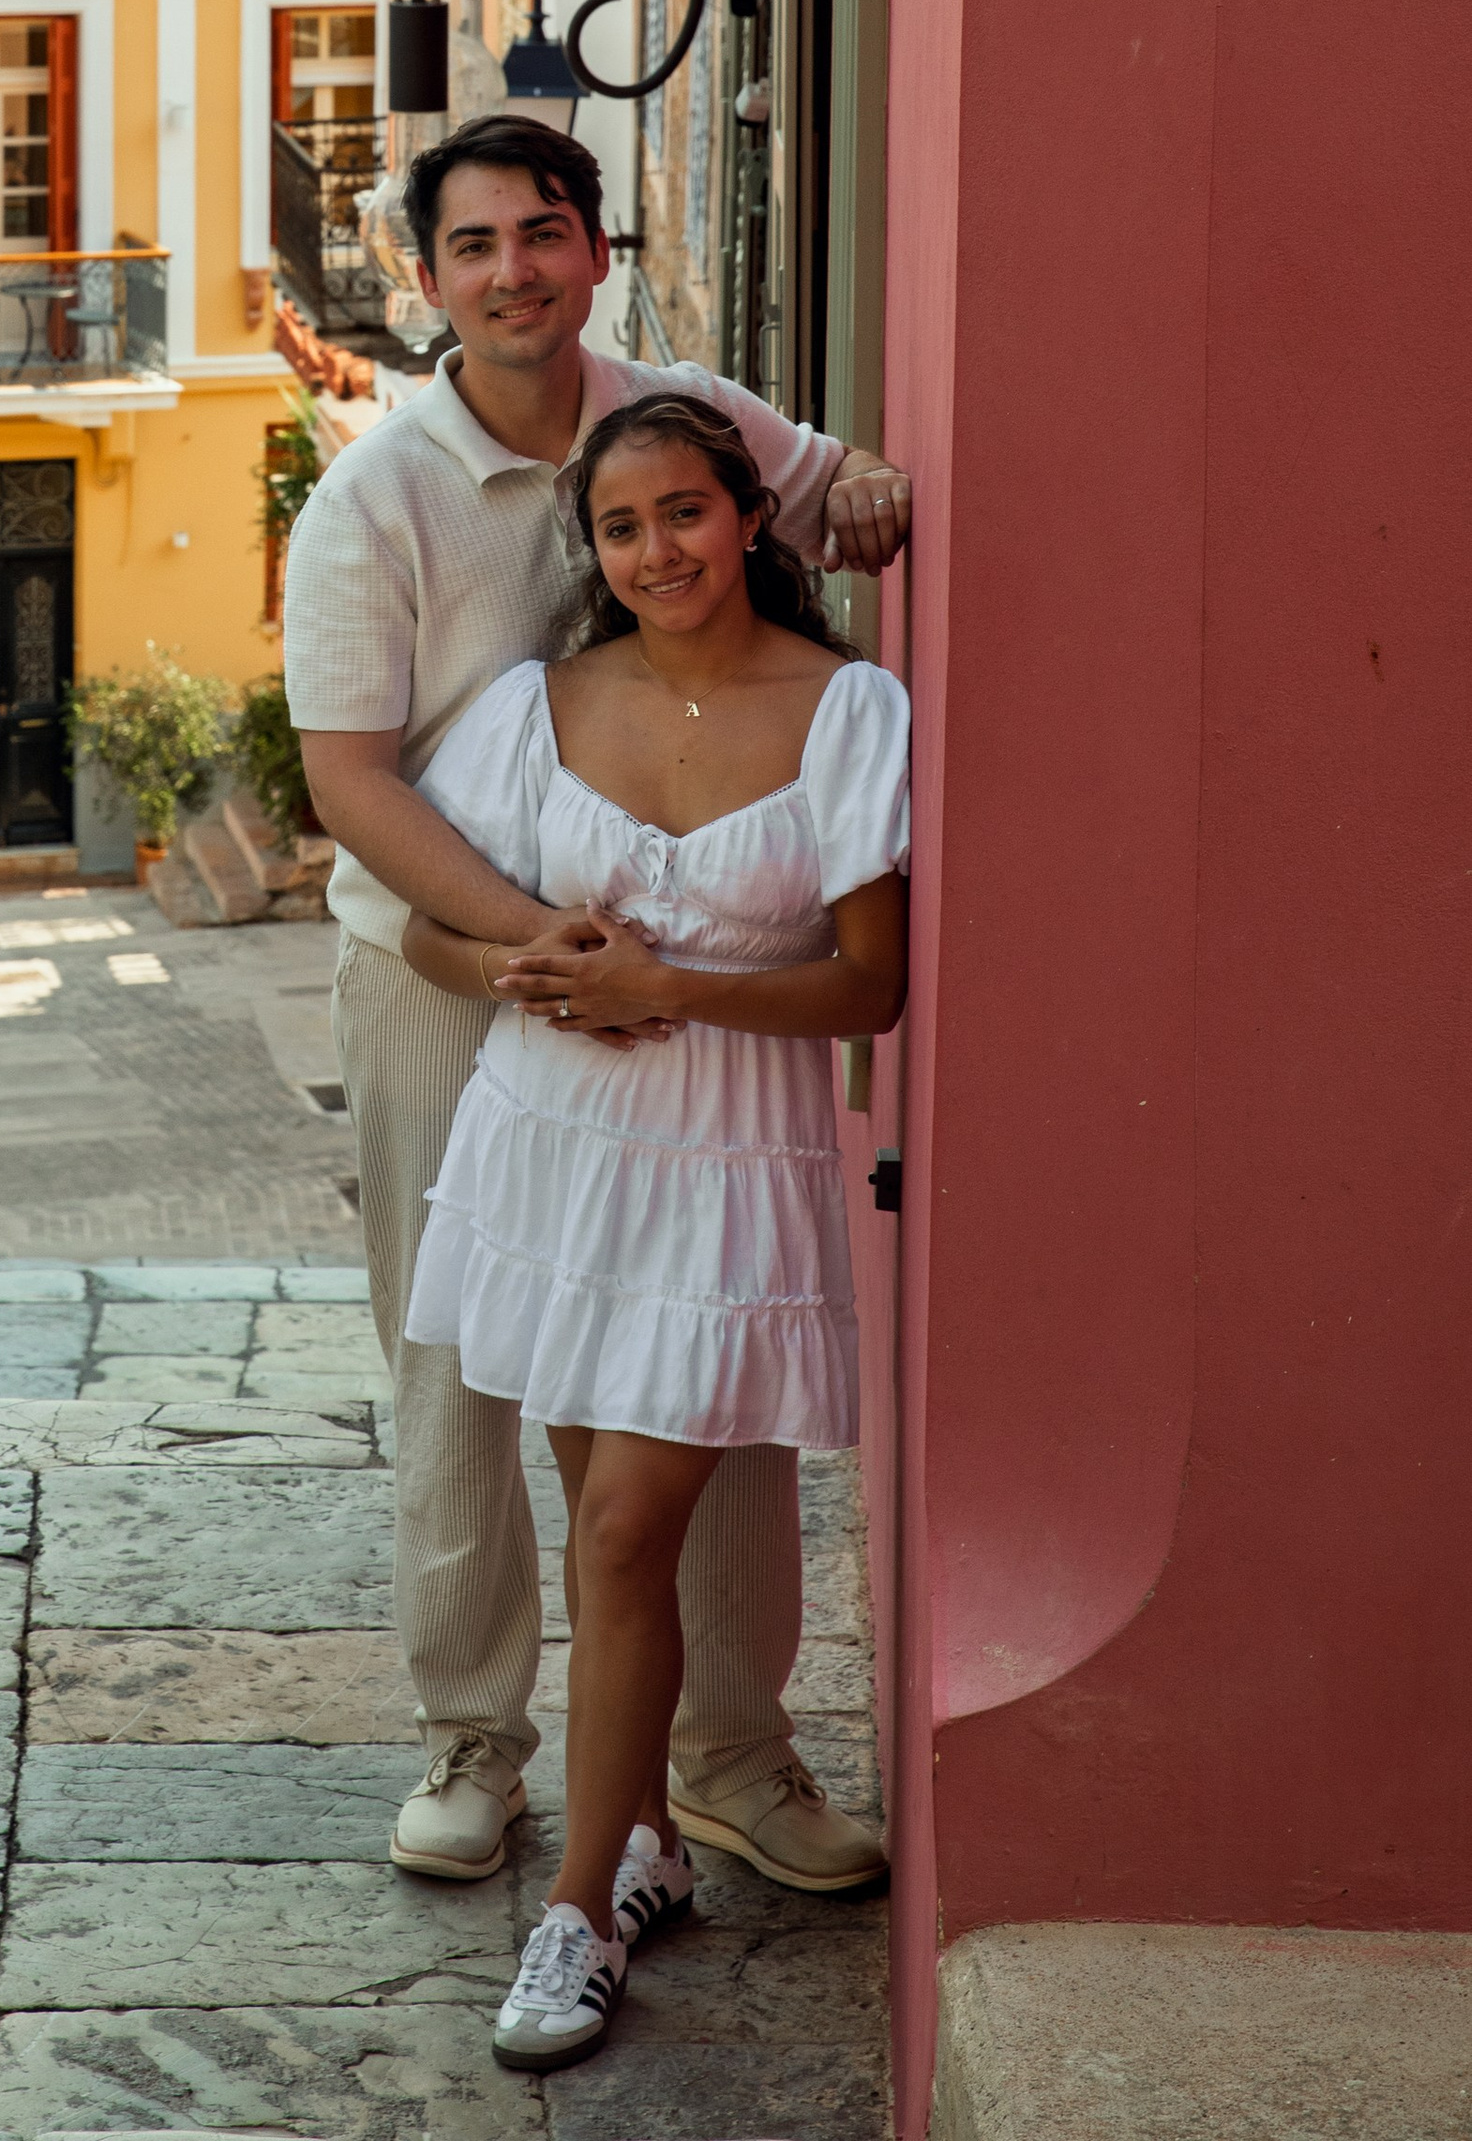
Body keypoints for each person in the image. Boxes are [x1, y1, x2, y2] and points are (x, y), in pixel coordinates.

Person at [283, 112, 908, 1895]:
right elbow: (351, 779)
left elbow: (841, 492)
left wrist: (864, 484)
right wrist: (527, 945)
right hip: (440, 951)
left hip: (685, 964)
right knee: (463, 1356)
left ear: (593, 246)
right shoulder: (373, 502)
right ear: (428, 280)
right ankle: (475, 1733)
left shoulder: (688, 421)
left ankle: (729, 1750)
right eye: (472, 244)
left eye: (542, 231)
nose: (513, 270)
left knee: (705, 1359)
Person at [397, 389, 907, 2069]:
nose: (657, 549)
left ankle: (575, 1910)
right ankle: (655, 1847)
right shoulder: (539, 704)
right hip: (550, 1145)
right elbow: (425, 934)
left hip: (726, 1165)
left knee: (622, 1534)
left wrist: (664, 982)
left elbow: (871, 981)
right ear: (593, 551)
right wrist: (523, 964)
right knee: (591, 1518)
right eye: (622, 528)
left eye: (684, 512)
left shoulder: (847, 712)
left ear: (747, 513)